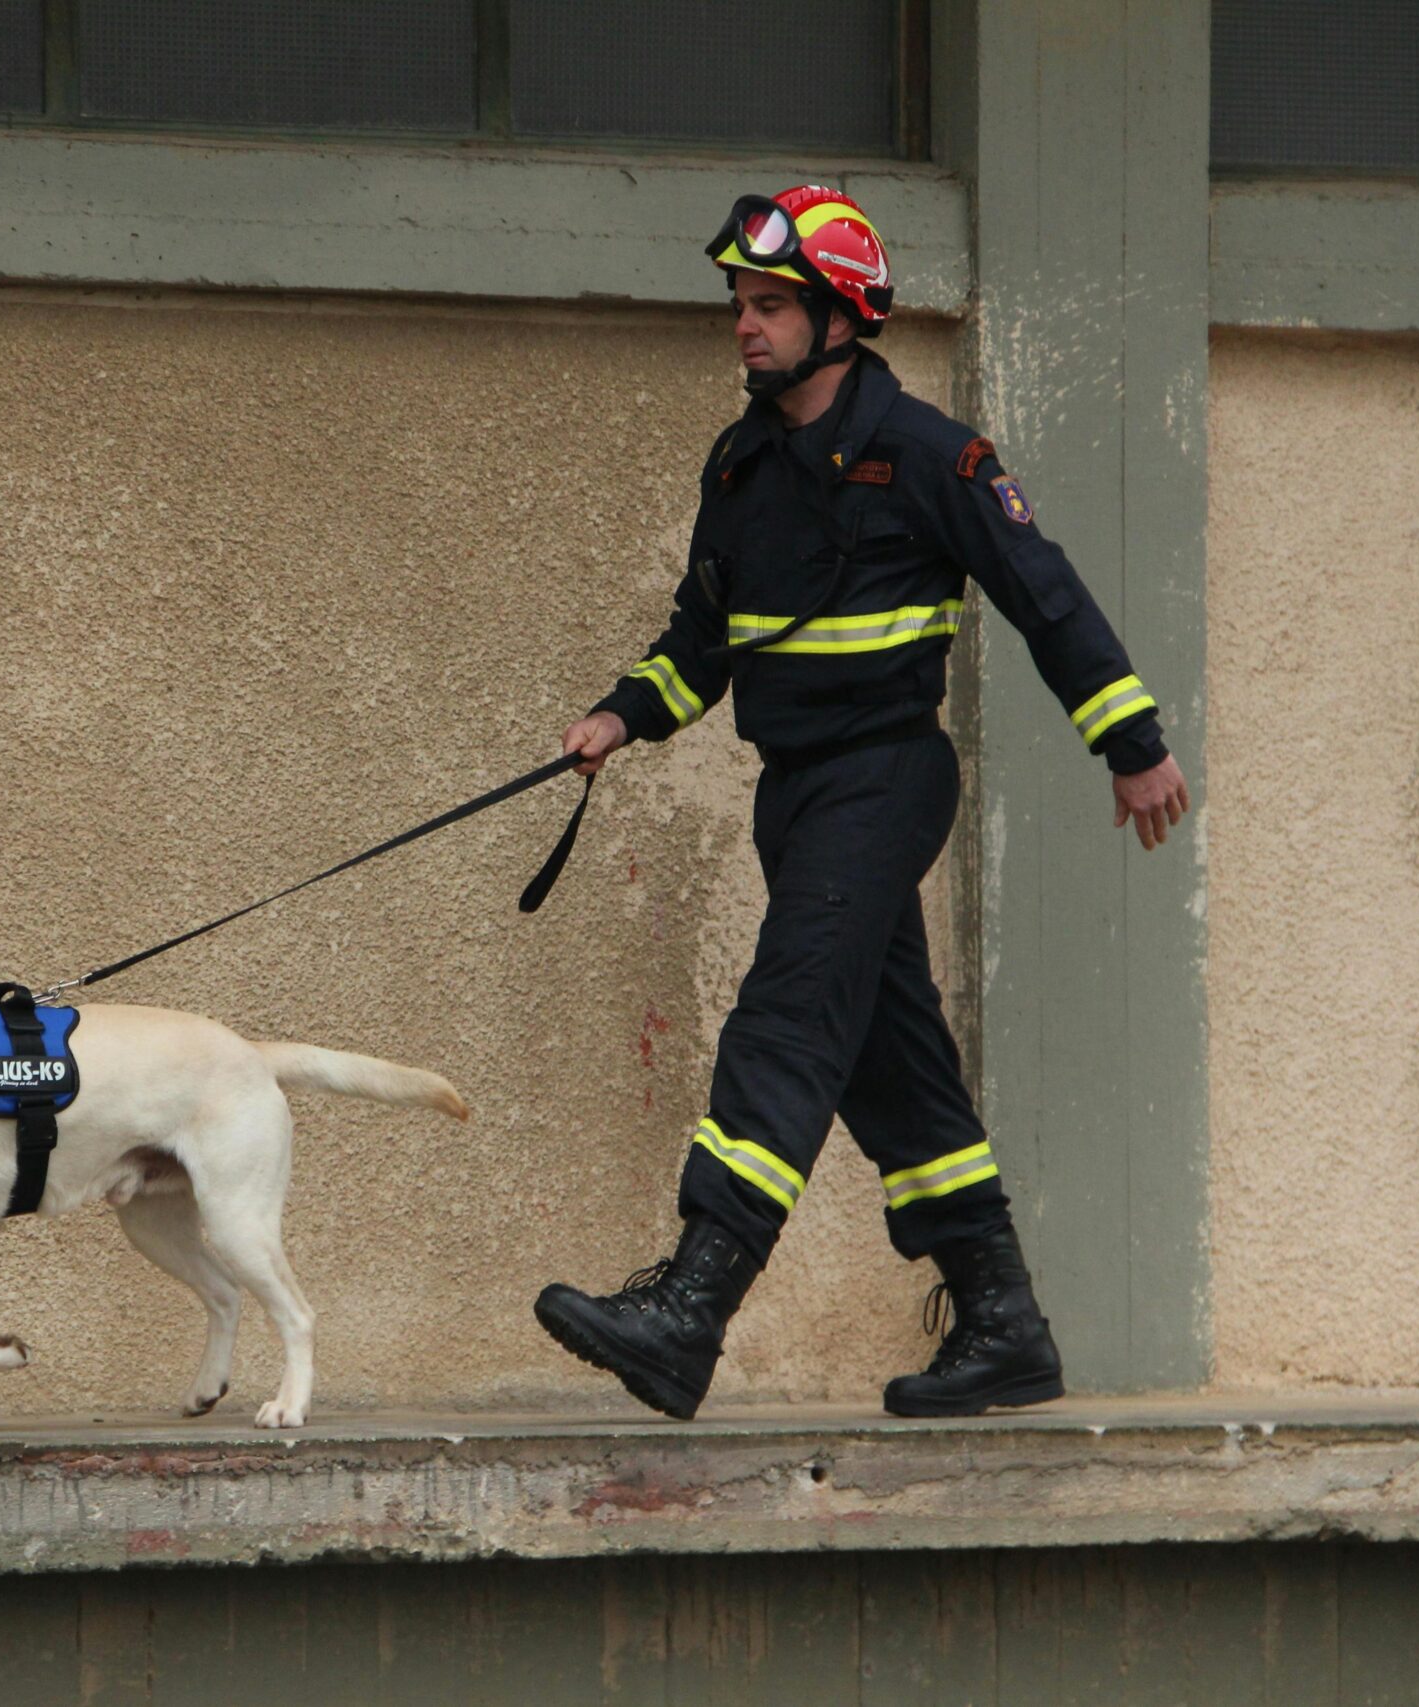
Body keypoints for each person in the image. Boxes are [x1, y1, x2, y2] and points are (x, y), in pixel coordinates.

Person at [532, 185, 1190, 1421]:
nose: (743, 325)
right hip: (797, 797)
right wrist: (622, 715)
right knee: (893, 1067)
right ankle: (1003, 1324)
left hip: (883, 782)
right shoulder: (739, 468)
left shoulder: (931, 457)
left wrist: (1130, 741)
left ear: (841, 319)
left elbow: (1041, 592)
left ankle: (691, 1305)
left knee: (786, 1017)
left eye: (770, 304)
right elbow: (700, 638)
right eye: (738, 303)